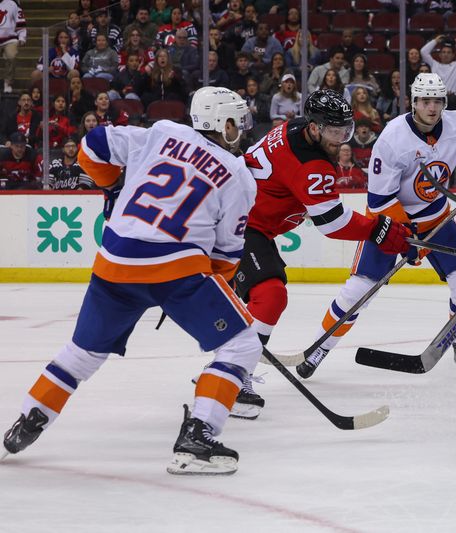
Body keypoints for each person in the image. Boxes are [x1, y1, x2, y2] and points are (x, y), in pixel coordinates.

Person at [1, 87, 262, 476]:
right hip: (175, 270)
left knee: (82, 353)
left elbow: (93, 144)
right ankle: (198, 436)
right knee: (241, 345)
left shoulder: (161, 132)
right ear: (223, 123)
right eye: (236, 121)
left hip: (114, 262)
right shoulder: (238, 175)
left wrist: (112, 186)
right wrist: (204, 289)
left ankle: (28, 418)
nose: (240, 128)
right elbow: (225, 256)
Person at [300, 73, 456, 379]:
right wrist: (409, 239)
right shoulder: (393, 138)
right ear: (413, 102)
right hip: (389, 222)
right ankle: (320, 346)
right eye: (424, 101)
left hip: (436, 218)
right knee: (359, 291)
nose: (431, 108)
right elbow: (380, 200)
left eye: (437, 101)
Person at [227, 89, 411, 413]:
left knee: (264, 297)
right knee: (269, 297)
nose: (341, 139)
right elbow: (331, 223)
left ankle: (229, 364)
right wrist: (376, 229)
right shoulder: (310, 164)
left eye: (345, 130)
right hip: (236, 225)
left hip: (246, 221)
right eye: (333, 131)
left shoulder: (294, 129)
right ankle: (233, 375)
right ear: (314, 128)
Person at [420, 35, 456, 111]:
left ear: (453, 55)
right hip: (437, 98)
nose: (446, 54)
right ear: (439, 55)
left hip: (453, 98)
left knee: (452, 99)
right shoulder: (434, 64)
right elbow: (423, 51)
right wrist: (435, 41)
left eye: (449, 52)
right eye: (443, 52)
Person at [0, 0, 27, 93]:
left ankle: (8, 82)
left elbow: (20, 20)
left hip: (10, 38)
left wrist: (22, 36)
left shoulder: (12, 3)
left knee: (11, 57)